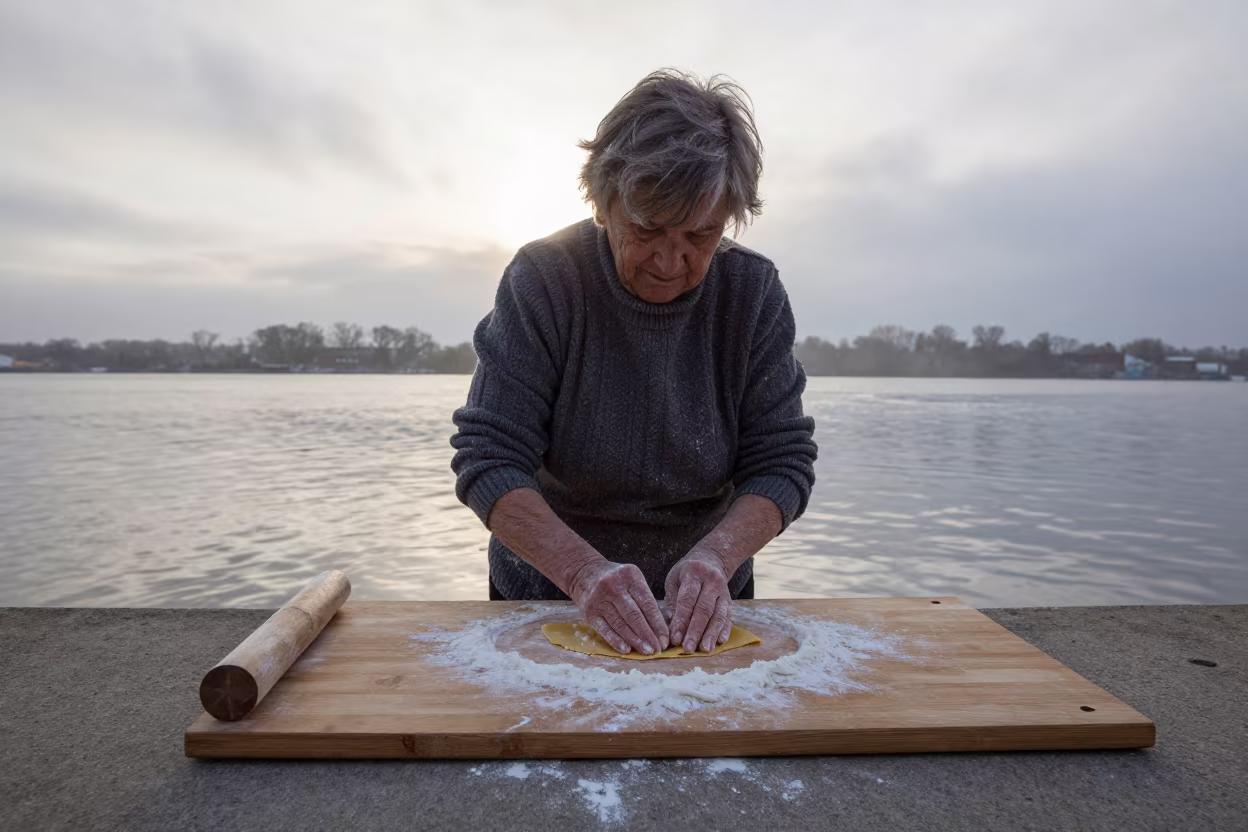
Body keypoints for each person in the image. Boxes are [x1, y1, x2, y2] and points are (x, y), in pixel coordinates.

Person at [450, 69, 817, 657]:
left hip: (706, 608)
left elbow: (782, 462)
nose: (670, 261)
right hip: (545, 600)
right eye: (648, 228)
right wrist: (581, 572)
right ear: (602, 203)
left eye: (700, 235)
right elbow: (489, 457)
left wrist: (716, 557)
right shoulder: (544, 279)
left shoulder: (752, 293)